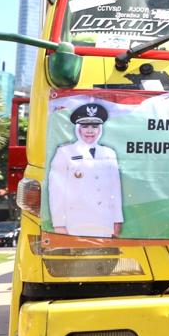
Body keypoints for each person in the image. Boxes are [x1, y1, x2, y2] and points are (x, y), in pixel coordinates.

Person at [48, 102, 124, 238]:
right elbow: (57, 192)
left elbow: (115, 190)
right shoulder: (64, 152)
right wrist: (59, 224)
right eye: (85, 126)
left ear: (100, 129)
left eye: (94, 126)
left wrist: (117, 219)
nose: (90, 131)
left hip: (104, 221)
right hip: (76, 222)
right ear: (78, 129)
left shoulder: (109, 153)